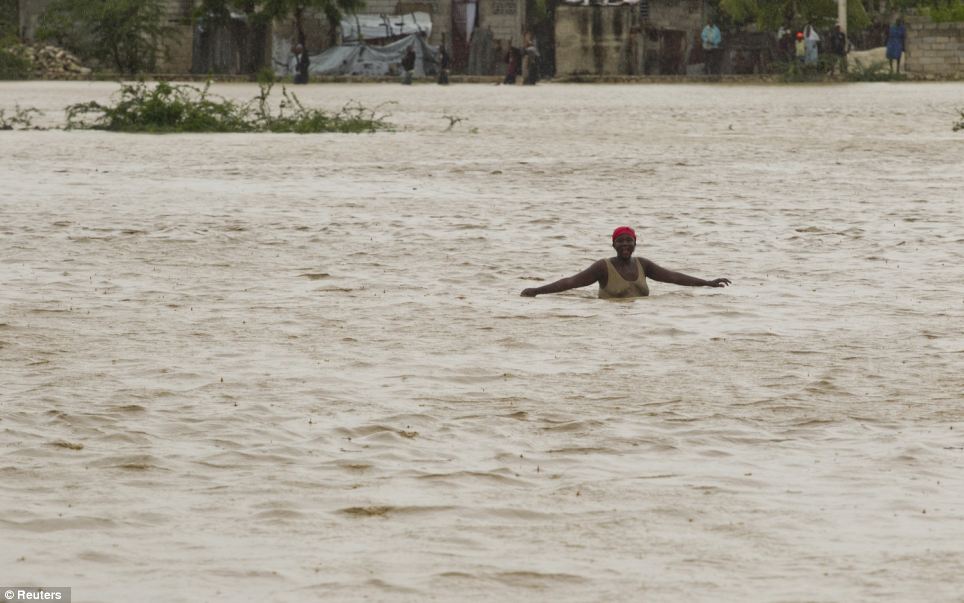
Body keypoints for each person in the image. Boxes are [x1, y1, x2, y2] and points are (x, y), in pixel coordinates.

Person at [520, 226, 731, 299]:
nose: (625, 245)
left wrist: (708, 283)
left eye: (629, 241)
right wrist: (537, 290)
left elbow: (674, 277)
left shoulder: (643, 265)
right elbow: (571, 282)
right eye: (620, 241)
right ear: (613, 244)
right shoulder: (602, 267)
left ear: (635, 243)